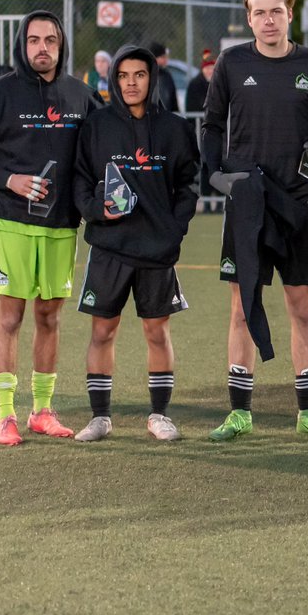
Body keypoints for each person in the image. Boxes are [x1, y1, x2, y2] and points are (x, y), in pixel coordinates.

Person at [201, 0, 308, 442]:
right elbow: (212, 124)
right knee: (241, 306)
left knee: (301, 306)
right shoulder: (232, 64)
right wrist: (218, 175)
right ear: (249, 15)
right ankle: (239, 411)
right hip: (248, 206)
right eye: (259, 12)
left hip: (299, 204)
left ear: (289, 14)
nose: (268, 20)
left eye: (275, 11)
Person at [0, 11, 102, 445]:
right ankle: (5, 415)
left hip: (61, 225)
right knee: (10, 316)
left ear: (61, 46)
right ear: (22, 43)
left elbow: (100, 154)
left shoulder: (82, 96)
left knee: (50, 316)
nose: (43, 48)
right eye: (34, 39)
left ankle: (42, 411)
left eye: (51, 40)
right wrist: (9, 179)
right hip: (10, 223)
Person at [72, 46, 199, 441]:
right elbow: (79, 180)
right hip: (109, 246)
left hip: (156, 249)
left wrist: (175, 227)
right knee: (102, 331)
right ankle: (100, 417)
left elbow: (189, 184)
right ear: (114, 79)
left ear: (152, 78)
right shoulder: (97, 125)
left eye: (139, 75)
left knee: (156, 332)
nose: (131, 82)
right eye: (123, 75)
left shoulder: (175, 128)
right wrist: (97, 210)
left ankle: (159, 415)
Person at [148, 41, 180, 113]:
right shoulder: (146, 76)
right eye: (163, 57)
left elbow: (173, 101)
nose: (166, 60)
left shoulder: (166, 76)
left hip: (166, 119)